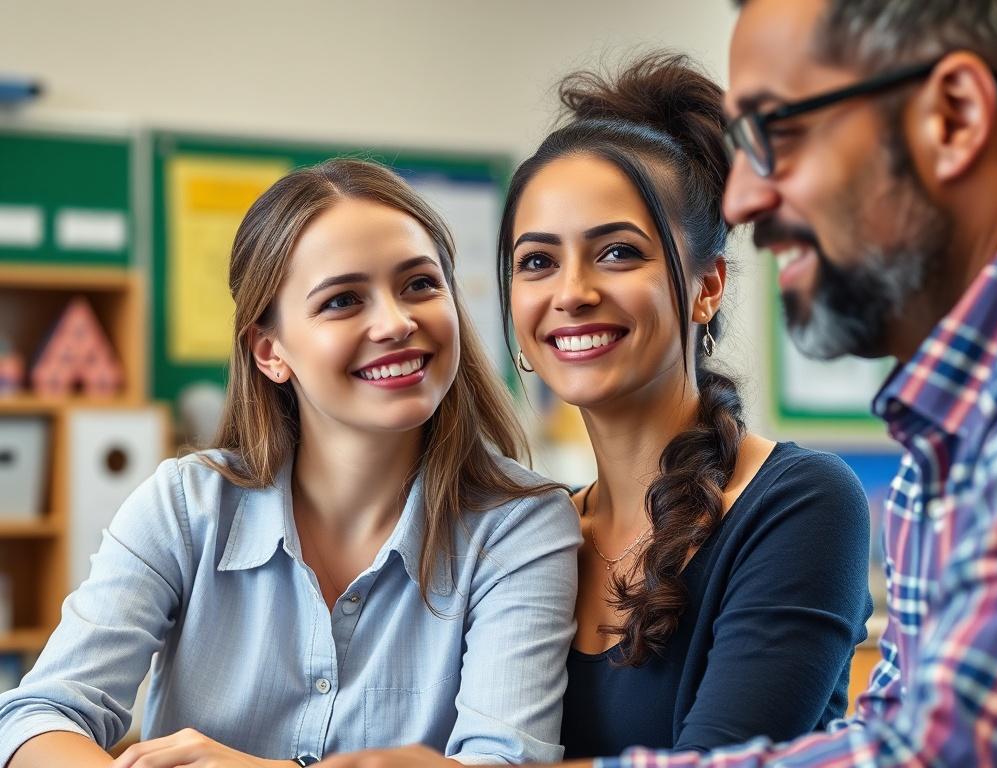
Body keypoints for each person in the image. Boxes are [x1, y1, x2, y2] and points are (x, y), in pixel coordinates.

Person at [314, 53, 874, 768]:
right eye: (538, 262)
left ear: (706, 288)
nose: (571, 292)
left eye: (616, 252)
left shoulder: (798, 504)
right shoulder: (530, 536)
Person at [529, 0, 997, 765]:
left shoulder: (984, 419)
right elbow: (889, 735)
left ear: (955, 117)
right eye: (535, 261)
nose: (746, 199)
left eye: (778, 134)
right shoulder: (943, 439)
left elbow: (949, 752)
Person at [0, 159, 581, 768]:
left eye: (420, 285)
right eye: (342, 300)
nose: (396, 322)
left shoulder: (522, 525)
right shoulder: (186, 505)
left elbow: (505, 763)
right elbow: (39, 714)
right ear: (270, 351)